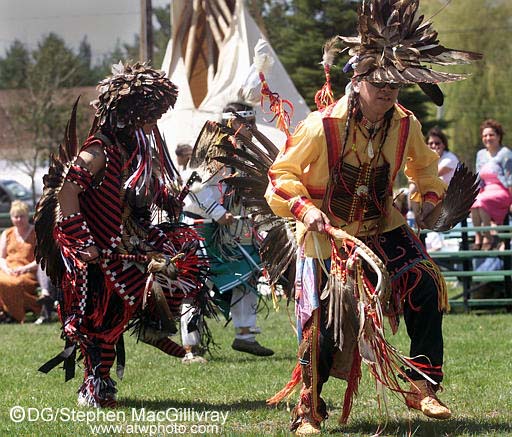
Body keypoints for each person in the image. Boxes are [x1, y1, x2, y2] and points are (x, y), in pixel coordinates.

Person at [264, 1, 481, 433]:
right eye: (380, 81)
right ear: (358, 80)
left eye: (396, 84)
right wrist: (304, 209)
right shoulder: (321, 126)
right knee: (326, 322)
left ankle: (422, 384)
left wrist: (428, 198)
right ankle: (308, 408)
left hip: (381, 225)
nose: (388, 90)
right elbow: (280, 175)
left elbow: (423, 170)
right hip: (328, 232)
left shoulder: (404, 124)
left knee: (423, 280)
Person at [35, 62, 208, 407]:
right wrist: (80, 240)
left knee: (184, 256)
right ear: (130, 113)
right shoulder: (98, 149)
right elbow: (68, 192)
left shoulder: (133, 147)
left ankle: (153, 323)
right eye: (150, 115)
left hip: (126, 238)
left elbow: (141, 187)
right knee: (101, 317)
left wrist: (167, 198)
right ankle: (96, 383)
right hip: (93, 244)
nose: (154, 123)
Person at [182, 102, 274, 358]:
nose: (252, 128)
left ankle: (245, 335)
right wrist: (219, 213)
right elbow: (194, 187)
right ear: (233, 123)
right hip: (201, 227)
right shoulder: (214, 149)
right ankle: (191, 346)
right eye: (248, 123)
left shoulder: (240, 149)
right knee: (197, 283)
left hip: (230, 227)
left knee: (248, 274)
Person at [471, 119, 512, 250]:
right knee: (474, 201)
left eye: (491, 135)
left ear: (499, 136)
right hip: (486, 190)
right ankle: (478, 237)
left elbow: (510, 178)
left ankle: (489, 237)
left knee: (482, 201)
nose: (488, 138)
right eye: (485, 135)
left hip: (502, 191)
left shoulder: (505, 153)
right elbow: (478, 178)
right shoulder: (481, 154)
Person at [0, 200, 40, 323]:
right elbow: (1, 257)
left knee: (15, 283)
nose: (18, 219)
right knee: (5, 280)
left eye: (21, 216)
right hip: (8, 269)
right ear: (11, 217)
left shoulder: (36, 233)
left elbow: (41, 259)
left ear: (28, 215)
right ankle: (5, 313)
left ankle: (15, 314)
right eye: (15, 216)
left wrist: (24, 269)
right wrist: (7, 269)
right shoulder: (7, 233)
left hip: (28, 271)